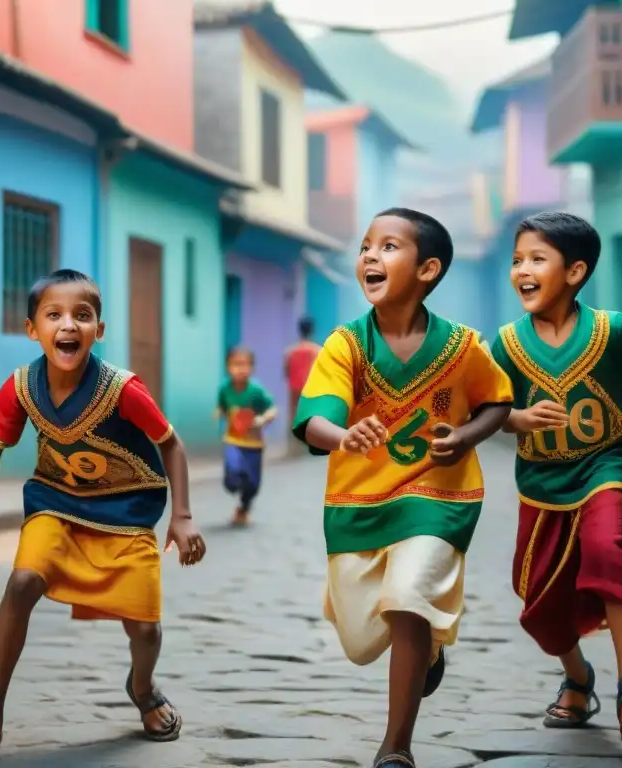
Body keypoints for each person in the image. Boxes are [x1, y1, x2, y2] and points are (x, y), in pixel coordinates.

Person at [0, 269, 206, 751]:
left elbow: (172, 444)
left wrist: (181, 517)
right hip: (55, 506)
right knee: (21, 582)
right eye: (53, 314)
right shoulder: (21, 386)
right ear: (31, 329)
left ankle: (142, 689)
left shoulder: (122, 388)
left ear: (99, 330)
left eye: (82, 316)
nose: (68, 325)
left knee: (144, 628)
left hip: (127, 512)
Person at [292, 208, 513, 768]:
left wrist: (465, 436)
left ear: (427, 269)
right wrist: (344, 435)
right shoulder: (347, 345)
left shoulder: (462, 346)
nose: (369, 255)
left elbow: (497, 399)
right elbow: (315, 419)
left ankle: (396, 746)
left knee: (410, 597)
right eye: (366, 245)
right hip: (358, 501)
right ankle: (428, 648)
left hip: (440, 497)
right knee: (362, 638)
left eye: (388, 246)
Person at [488, 212, 622, 748]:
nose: (523, 269)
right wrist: (517, 419)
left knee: (608, 550)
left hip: (605, 465)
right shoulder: (504, 345)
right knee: (538, 604)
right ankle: (579, 678)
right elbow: (486, 411)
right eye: (517, 260)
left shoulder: (612, 330)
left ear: (574, 270)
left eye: (537, 258)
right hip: (539, 483)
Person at [216, 346, 276, 526]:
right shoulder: (224, 389)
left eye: (246, 364)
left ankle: (243, 508)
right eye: (236, 364)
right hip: (233, 440)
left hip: (254, 444)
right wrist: (220, 412)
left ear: (252, 368)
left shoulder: (256, 391)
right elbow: (223, 407)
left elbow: (272, 409)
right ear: (228, 366)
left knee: (253, 485)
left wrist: (263, 419)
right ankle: (232, 482)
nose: (241, 368)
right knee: (233, 474)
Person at [284, 317, 322, 455]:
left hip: (294, 387)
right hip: (311, 387)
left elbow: (286, 371)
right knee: (311, 415)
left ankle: (292, 448)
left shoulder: (290, 351)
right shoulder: (317, 350)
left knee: (293, 414)